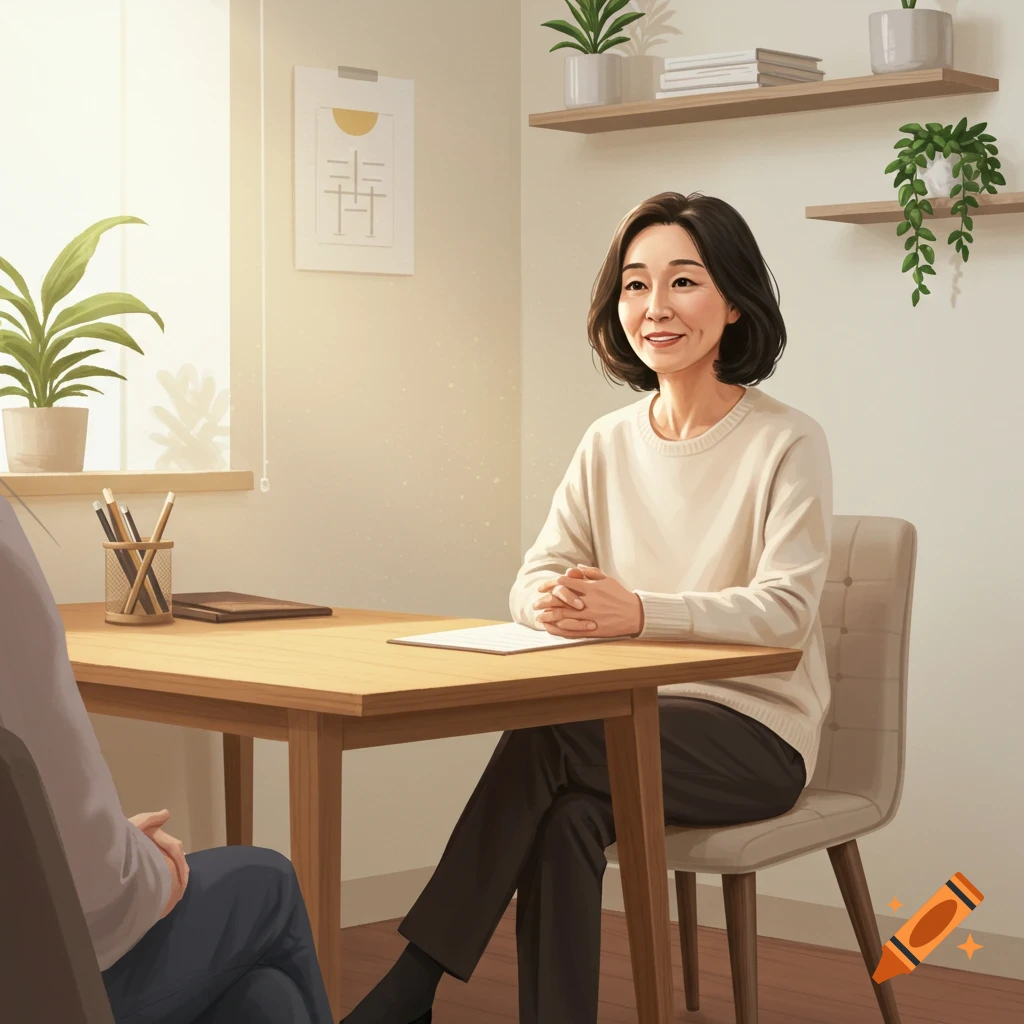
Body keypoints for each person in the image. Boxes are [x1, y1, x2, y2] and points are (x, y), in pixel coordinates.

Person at [343, 191, 834, 1024]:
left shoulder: (787, 440)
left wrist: (638, 613)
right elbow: (536, 571)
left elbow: (785, 611)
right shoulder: (608, 441)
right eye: (636, 285)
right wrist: (550, 601)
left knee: (549, 734)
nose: (655, 306)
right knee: (568, 819)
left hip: (754, 735)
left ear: (734, 302)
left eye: (683, 281)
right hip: (629, 720)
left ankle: (410, 987)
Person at [0, 497, 336, 1024]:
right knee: (268, 879)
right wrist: (142, 862)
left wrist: (113, 843)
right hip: (38, 983)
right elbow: (96, 891)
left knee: (265, 997)